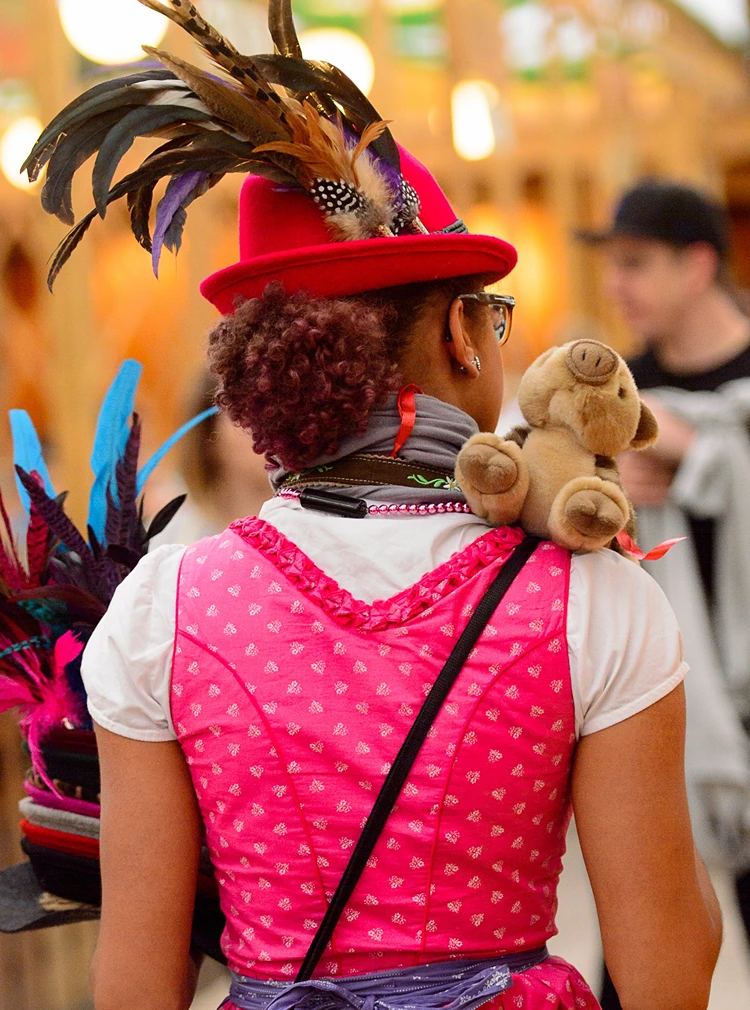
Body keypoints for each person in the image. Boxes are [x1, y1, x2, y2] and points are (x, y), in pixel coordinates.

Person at [29, 4, 721, 1009]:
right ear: (461, 334)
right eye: (492, 316)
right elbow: (669, 972)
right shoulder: (593, 596)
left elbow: (137, 984)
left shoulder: (159, 608)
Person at [580, 178, 750, 1007]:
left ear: (699, 266)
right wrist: (604, 481)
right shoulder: (620, 394)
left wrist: (702, 455)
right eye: (613, 265)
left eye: (636, 263)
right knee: (641, 946)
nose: (617, 286)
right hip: (663, 706)